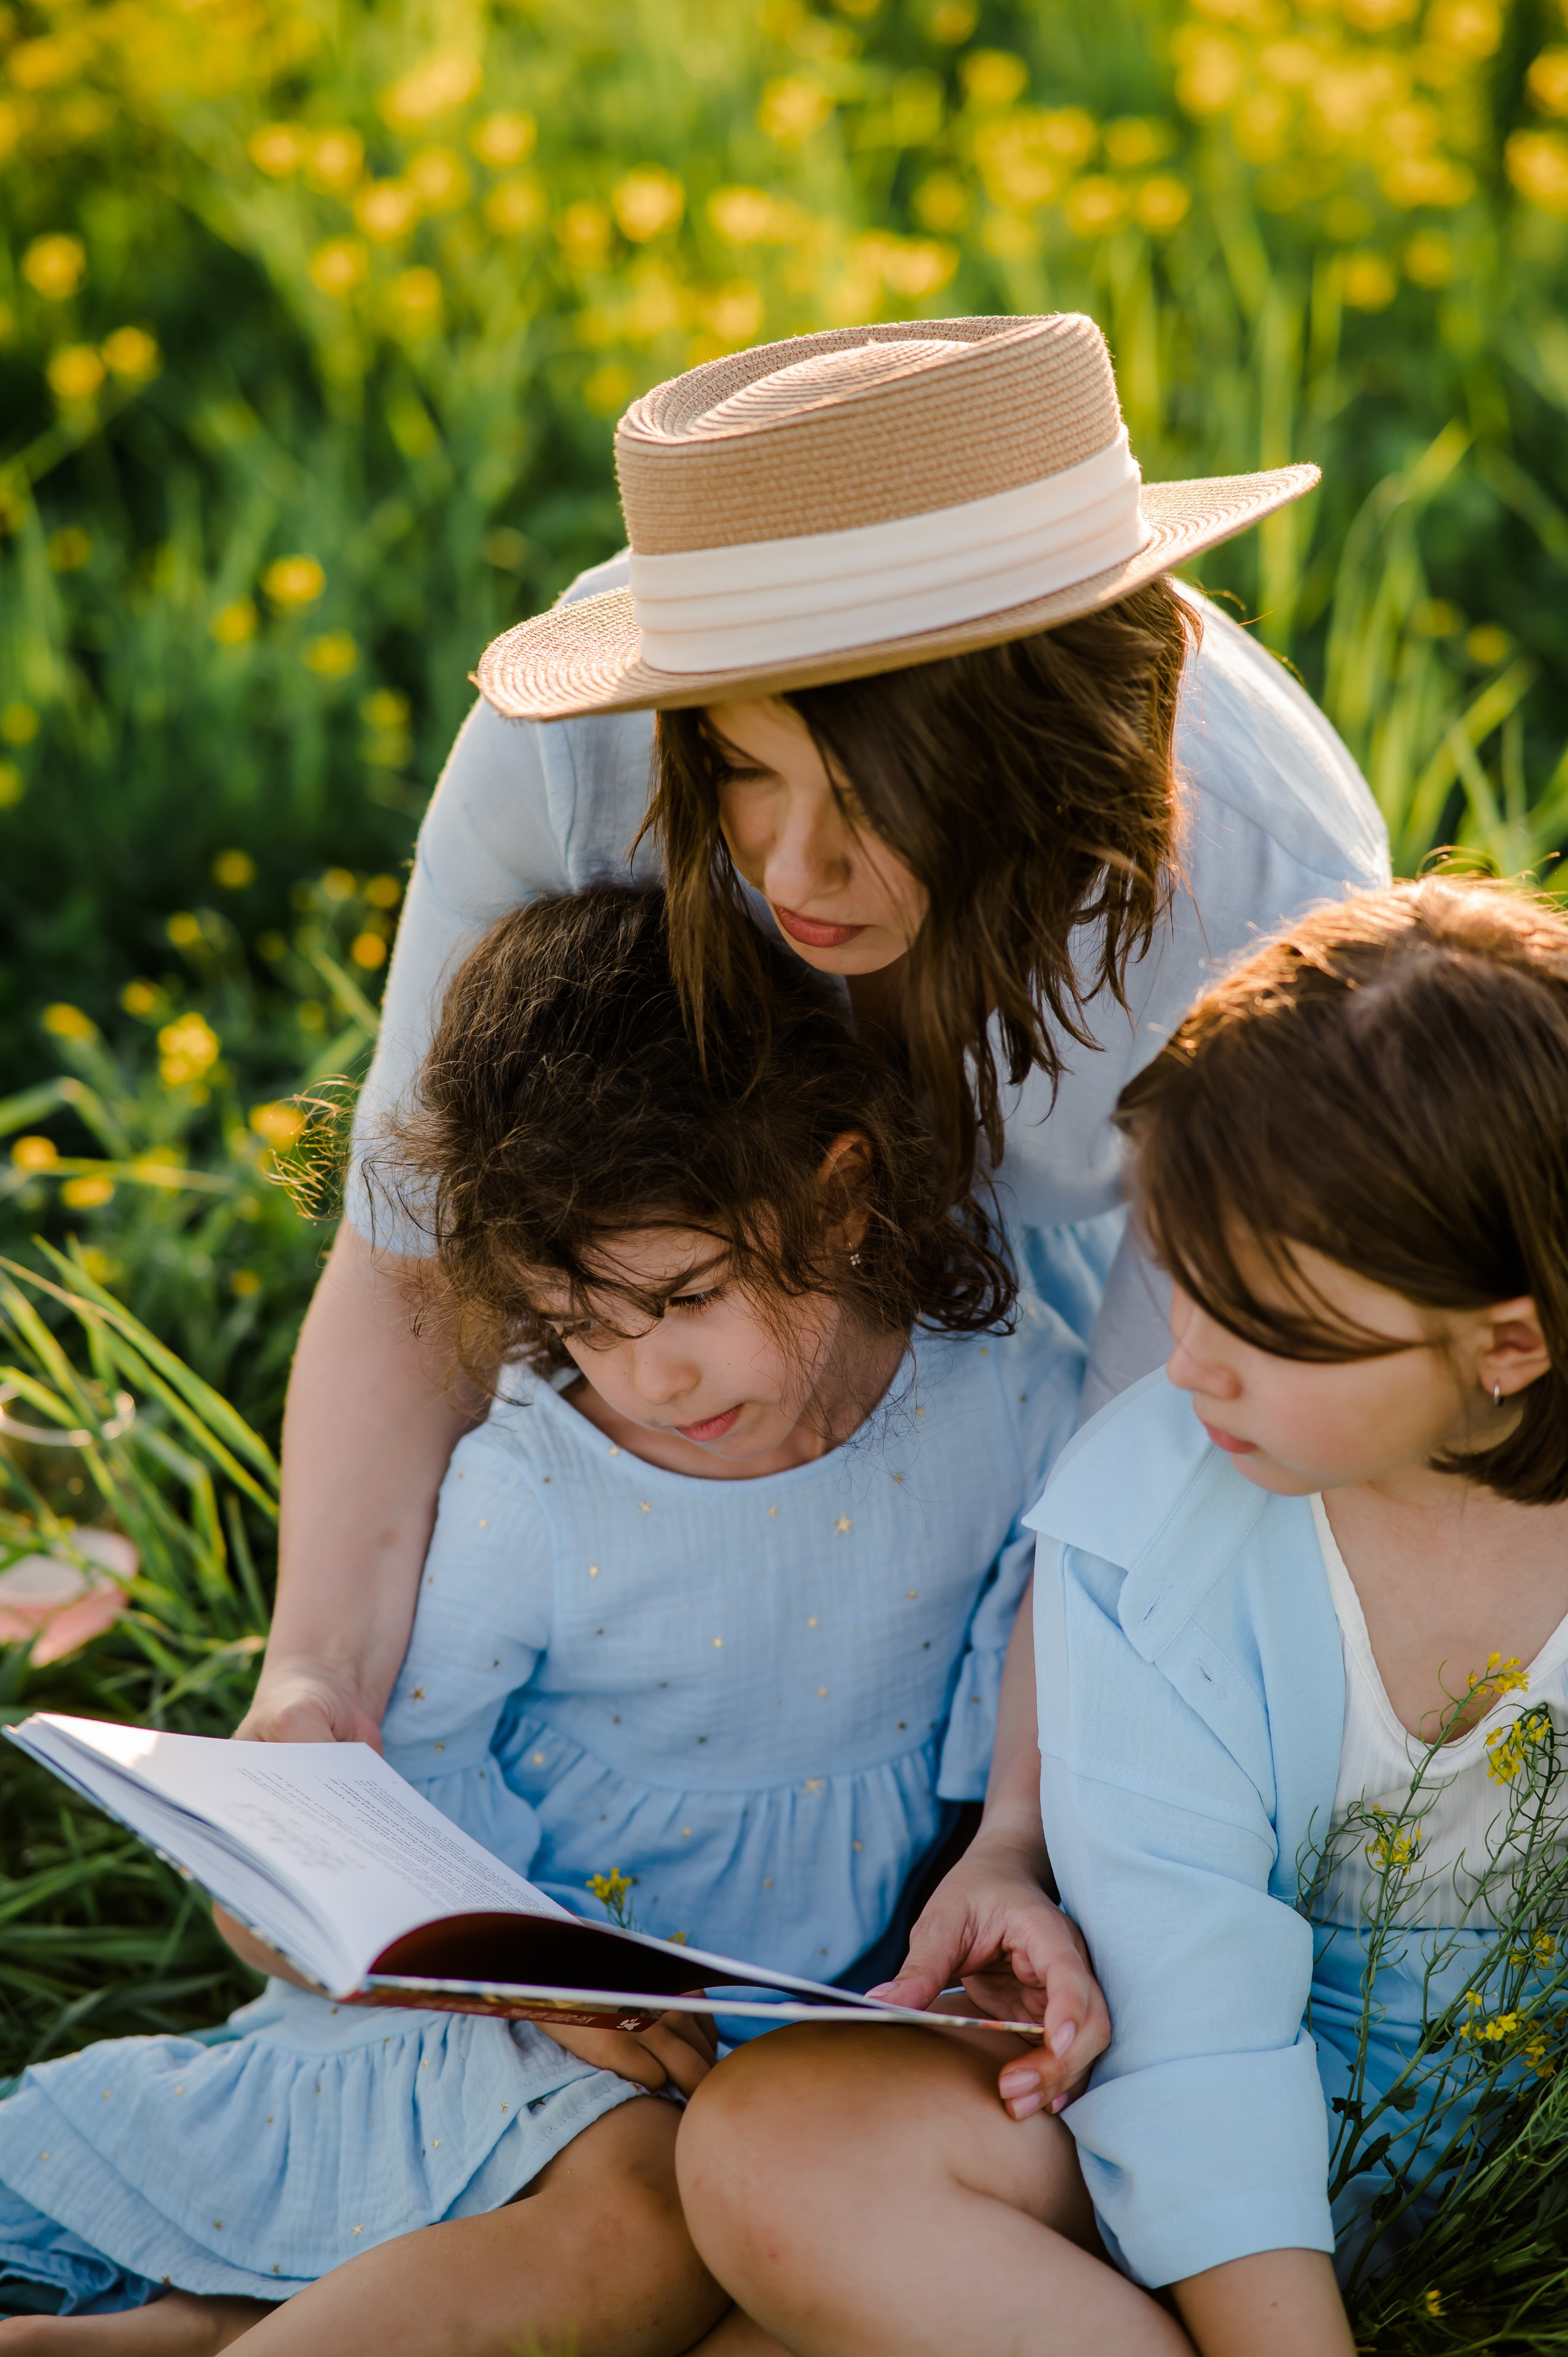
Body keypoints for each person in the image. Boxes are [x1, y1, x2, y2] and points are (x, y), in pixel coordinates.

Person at [248, 315, 1388, 2122]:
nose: (791, 871)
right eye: (745, 770)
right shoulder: (562, 758)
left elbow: (1151, 1443)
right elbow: (407, 1259)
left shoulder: (1266, 890)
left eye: (870, 798)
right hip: (702, 1297)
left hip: (1080, 1335)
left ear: (1049, 750)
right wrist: (317, 1690)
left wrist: (1014, 1839)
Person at [0, 883, 1101, 2353]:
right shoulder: (540, 1489)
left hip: (809, 2011)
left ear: (838, 1198)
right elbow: (412, 1795)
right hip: (526, 2001)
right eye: (580, 1325)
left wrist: (990, 1869)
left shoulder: (1009, 1397)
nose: (646, 1377)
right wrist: (523, 1976)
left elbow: (1012, 1683)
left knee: (728, 2231)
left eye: (685, 1296)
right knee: (638, 2216)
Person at [677, 875, 1568, 2356]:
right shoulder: (1157, 1514)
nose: (1194, 1365)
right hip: (1191, 2116)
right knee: (774, 2146)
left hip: (1525, 2151)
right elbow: (1190, 2010)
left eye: (1269, 1326)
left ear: (1507, 1345)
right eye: (1180, 1287)